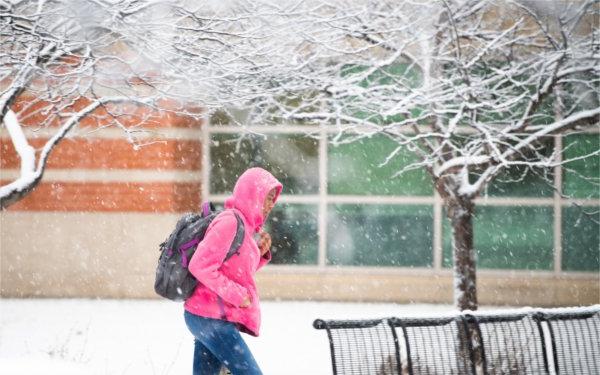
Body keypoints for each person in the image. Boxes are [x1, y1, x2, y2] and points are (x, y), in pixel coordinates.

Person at [183, 167, 282, 375]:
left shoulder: (245, 227)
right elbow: (200, 265)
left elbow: (233, 272)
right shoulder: (230, 222)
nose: (270, 205)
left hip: (210, 317)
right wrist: (238, 295)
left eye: (273, 198)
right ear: (253, 194)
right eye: (267, 197)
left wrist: (261, 255)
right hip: (209, 317)